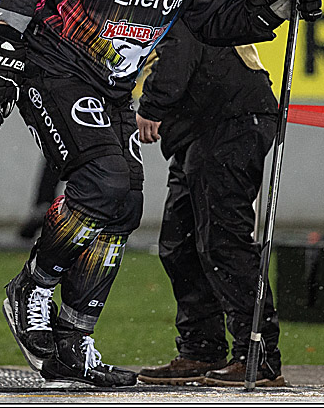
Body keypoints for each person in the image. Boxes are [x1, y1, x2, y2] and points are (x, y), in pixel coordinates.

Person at [0, 0, 322, 387]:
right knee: (105, 182)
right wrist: (0, 47)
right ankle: (32, 287)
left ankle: (75, 337)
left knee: (127, 201)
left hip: (112, 86)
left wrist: (274, 4)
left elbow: (215, 22)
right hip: (55, 61)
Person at [134, 20, 285, 387]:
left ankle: (259, 355)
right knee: (180, 244)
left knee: (223, 240)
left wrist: (152, 105)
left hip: (228, 117)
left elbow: (178, 50)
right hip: (200, 123)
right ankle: (201, 347)